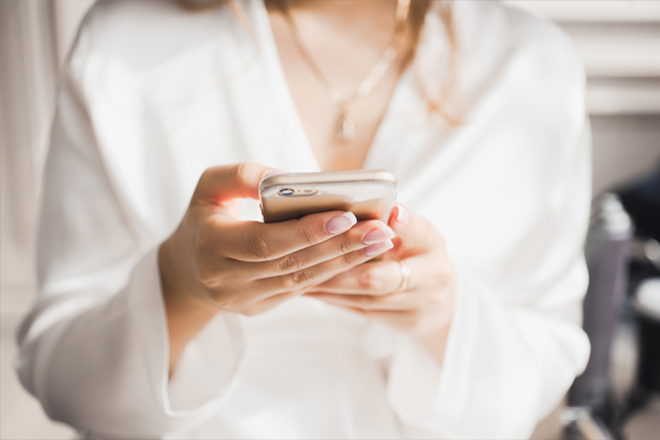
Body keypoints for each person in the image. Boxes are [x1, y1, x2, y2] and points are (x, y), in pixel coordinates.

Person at [16, 0, 592, 438]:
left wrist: (444, 314)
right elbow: (59, 371)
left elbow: (548, 358)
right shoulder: (125, 46)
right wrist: (178, 288)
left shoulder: (530, 69)